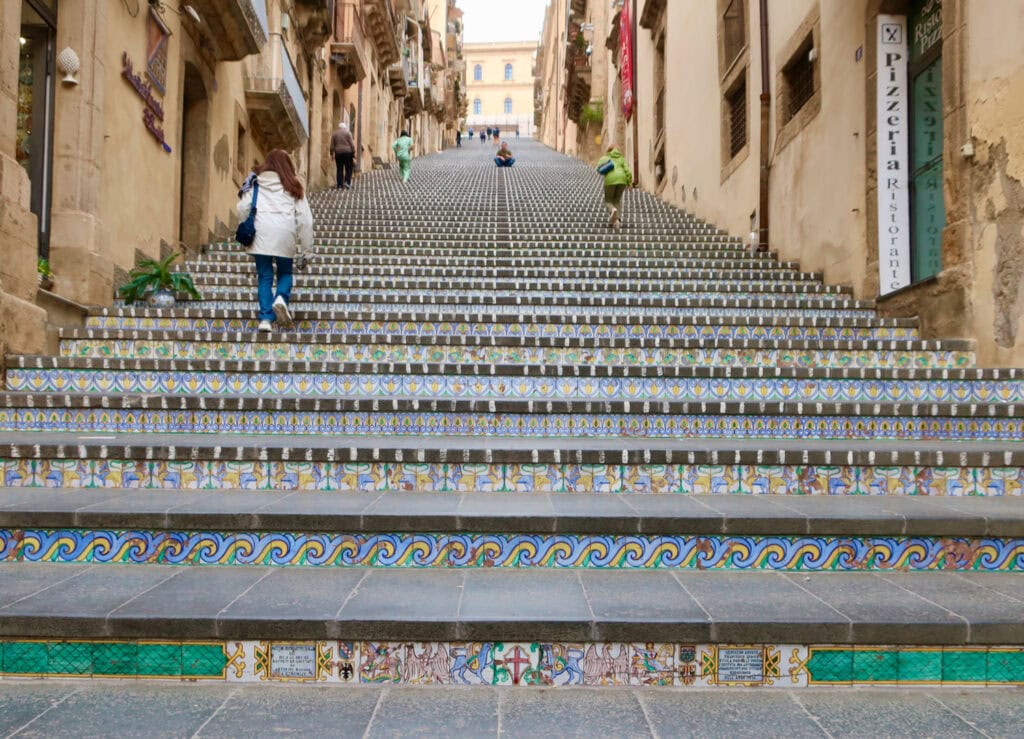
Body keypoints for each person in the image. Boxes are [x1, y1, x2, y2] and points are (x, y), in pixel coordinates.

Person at [236, 149, 313, 332]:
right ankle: (280, 298)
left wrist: (246, 224)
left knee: (264, 275)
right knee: (285, 273)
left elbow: (242, 208)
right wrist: (307, 250)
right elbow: (305, 220)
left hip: (261, 232)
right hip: (285, 232)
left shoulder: (255, 182)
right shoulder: (293, 185)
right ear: (288, 166)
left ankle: (265, 319)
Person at [596, 146, 633, 228]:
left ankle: (612, 209)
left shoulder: (606, 157)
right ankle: (617, 221)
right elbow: (628, 171)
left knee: (608, 200)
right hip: (622, 180)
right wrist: (630, 183)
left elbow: (598, 168)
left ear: (608, 151)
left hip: (610, 180)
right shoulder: (621, 158)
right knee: (617, 200)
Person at [330, 121, 355, 189]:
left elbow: (332, 145)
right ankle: (347, 182)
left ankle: (339, 184)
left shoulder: (334, 134)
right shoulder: (348, 133)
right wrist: (353, 153)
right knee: (349, 168)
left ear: (339, 128)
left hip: (338, 153)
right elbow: (352, 144)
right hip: (348, 153)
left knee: (339, 168)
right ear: (345, 127)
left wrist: (331, 153)